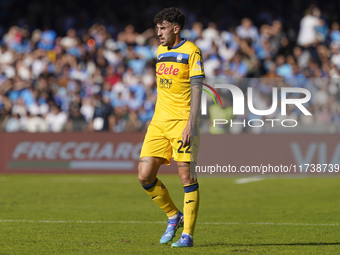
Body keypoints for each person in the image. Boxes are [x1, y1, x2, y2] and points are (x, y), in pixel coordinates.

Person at [138, 7, 204, 248]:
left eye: (162, 28)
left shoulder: (192, 52)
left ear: (176, 28)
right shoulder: (160, 51)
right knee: (144, 176)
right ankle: (174, 216)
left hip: (182, 123)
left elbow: (197, 91)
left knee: (186, 177)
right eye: (157, 28)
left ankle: (187, 235)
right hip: (158, 123)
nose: (159, 33)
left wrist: (191, 124)